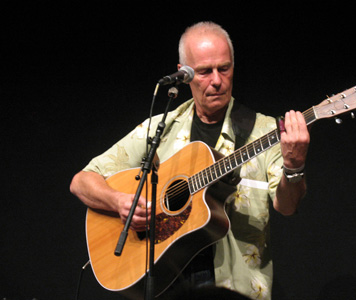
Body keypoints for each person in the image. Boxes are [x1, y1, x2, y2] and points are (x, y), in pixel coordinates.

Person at [70, 21, 310, 300]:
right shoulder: (161, 128)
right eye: (205, 72)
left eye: (225, 68)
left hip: (236, 287)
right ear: (185, 75)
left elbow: (288, 206)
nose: (217, 80)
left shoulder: (265, 131)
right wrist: (120, 202)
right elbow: (81, 181)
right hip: (169, 284)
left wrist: (295, 166)